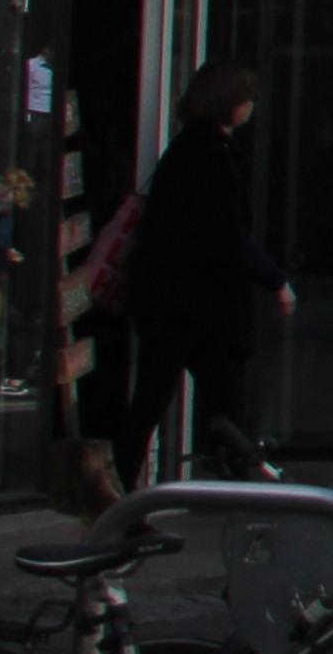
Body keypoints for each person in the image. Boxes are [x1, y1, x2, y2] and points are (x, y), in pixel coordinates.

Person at [114, 66, 289, 475]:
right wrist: (275, 279)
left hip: (175, 301)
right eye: (246, 98)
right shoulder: (209, 155)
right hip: (189, 304)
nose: (251, 106)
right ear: (229, 103)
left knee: (165, 396)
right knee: (213, 395)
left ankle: (127, 484)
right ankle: (238, 473)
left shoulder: (193, 149)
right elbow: (226, 231)